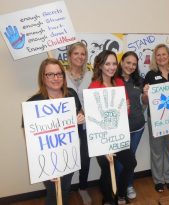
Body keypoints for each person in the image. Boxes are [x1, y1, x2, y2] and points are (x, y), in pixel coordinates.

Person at [25, 58, 85, 205]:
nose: (56, 78)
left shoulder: (71, 94)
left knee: (65, 189)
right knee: (53, 193)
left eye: (59, 74)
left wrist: (81, 116)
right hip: (47, 158)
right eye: (50, 74)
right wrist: (44, 167)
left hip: (68, 153)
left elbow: (78, 113)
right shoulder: (33, 103)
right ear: (43, 77)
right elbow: (31, 138)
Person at [89, 50, 137, 205]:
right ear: (100, 65)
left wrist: (127, 107)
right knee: (107, 169)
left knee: (130, 163)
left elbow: (126, 110)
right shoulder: (94, 86)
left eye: (114, 63)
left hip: (118, 134)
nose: (111, 67)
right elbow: (92, 118)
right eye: (107, 63)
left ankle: (121, 194)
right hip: (102, 138)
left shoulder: (119, 82)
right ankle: (108, 199)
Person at [142, 44, 169, 193]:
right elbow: (145, 101)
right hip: (156, 119)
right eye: (158, 55)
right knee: (157, 150)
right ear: (155, 57)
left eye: (164, 54)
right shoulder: (150, 75)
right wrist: (146, 94)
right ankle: (158, 180)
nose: (161, 57)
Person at [65, 42, 93, 205]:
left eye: (83, 54)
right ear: (69, 56)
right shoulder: (61, 75)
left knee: (85, 157)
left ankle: (83, 188)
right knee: (67, 157)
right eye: (76, 53)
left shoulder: (91, 75)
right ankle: (64, 190)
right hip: (67, 124)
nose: (80, 57)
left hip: (86, 124)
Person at [116, 51, 145, 199]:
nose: (131, 66)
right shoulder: (112, 79)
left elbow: (144, 103)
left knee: (131, 159)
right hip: (120, 129)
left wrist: (146, 95)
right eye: (128, 62)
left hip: (138, 126)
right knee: (122, 160)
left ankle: (128, 185)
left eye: (134, 64)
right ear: (121, 62)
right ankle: (118, 188)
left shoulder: (139, 80)